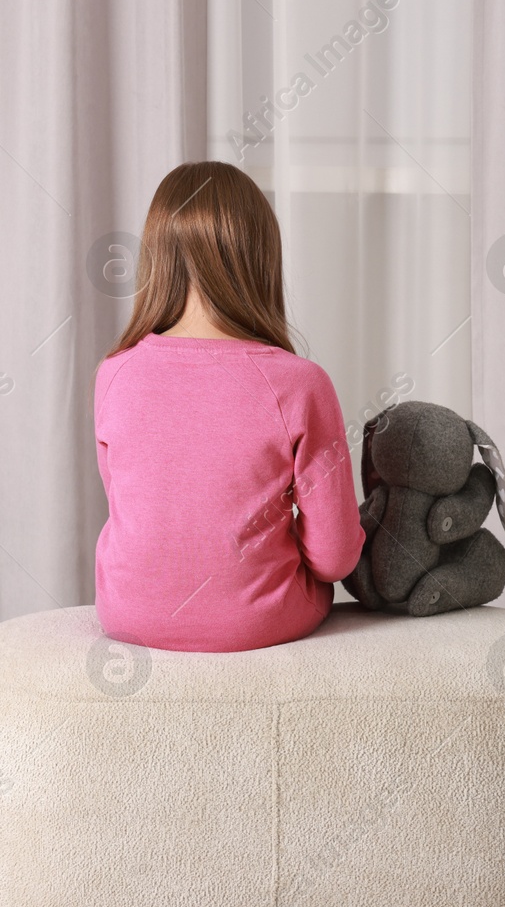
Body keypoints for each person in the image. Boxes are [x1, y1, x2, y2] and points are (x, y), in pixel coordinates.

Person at [92, 161, 364, 651]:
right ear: (260, 260)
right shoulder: (300, 384)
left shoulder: (114, 373)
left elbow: (134, 506)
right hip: (257, 623)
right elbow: (336, 557)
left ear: (157, 259)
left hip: (125, 615)